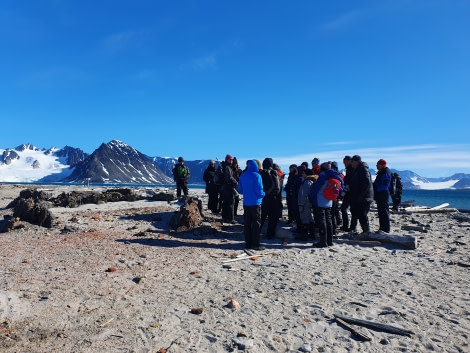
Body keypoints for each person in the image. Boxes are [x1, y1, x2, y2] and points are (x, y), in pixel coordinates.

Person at [309, 162, 344, 247]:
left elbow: (315, 189)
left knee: (322, 221)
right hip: (329, 201)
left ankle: (322, 241)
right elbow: (341, 186)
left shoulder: (323, 176)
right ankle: (330, 240)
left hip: (320, 201)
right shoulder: (335, 176)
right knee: (329, 220)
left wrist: (311, 198)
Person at [238, 160, 266, 250]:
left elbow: (240, 190)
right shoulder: (257, 176)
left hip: (246, 203)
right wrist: (263, 194)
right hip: (256, 203)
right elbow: (259, 190)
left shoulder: (243, 175)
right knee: (256, 223)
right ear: (256, 166)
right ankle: (255, 244)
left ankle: (248, 243)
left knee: (247, 223)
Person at [349, 155, 374, 234]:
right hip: (360, 196)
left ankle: (366, 232)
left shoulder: (363, 169)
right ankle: (355, 229)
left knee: (362, 214)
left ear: (356, 162)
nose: (351, 164)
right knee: (356, 212)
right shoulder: (357, 169)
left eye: (352, 162)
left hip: (365, 197)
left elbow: (366, 183)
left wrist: (361, 196)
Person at [259, 158, 281, 239]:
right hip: (274, 198)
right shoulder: (275, 173)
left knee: (261, 217)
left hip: (264, 198)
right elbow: (278, 187)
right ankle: (270, 234)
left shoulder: (261, 173)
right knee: (272, 218)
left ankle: (256, 232)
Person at [297, 168, 317, 240]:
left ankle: (304, 235)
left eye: (303, 173)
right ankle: (312, 234)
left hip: (305, 203)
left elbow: (304, 194)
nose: (302, 174)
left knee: (305, 219)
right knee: (310, 218)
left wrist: (301, 204)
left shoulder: (307, 182)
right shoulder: (312, 181)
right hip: (309, 202)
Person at [373, 159, 392, 233]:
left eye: (378, 165)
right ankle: (382, 228)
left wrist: (376, 186)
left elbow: (385, 185)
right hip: (380, 194)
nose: (377, 166)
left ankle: (386, 229)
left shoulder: (386, 172)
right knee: (380, 211)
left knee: (384, 211)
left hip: (383, 193)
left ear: (382, 165)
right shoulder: (381, 172)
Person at [340, 155, 357, 232]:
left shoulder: (352, 170)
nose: (344, 164)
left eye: (345, 162)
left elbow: (350, 182)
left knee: (349, 209)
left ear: (349, 161)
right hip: (349, 192)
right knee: (344, 209)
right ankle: (347, 226)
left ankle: (351, 227)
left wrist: (345, 190)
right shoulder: (349, 169)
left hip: (350, 192)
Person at [221, 154, 238, 223]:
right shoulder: (227, 167)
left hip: (224, 187)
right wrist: (235, 182)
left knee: (225, 202)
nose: (231, 161)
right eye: (230, 160)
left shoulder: (224, 166)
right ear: (227, 160)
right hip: (228, 186)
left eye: (231, 160)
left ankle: (225, 217)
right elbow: (229, 177)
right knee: (231, 202)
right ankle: (230, 218)